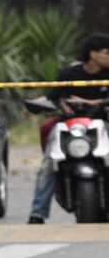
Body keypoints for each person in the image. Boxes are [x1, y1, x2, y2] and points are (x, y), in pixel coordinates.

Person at [29, 33, 109, 224]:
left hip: (103, 123)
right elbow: (51, 97)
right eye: (107, 52)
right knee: (49, 163)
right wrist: (41, 104)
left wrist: (92, 102)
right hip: (68, 126)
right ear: (93, 54)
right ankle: (37, 214)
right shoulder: (68, 75)